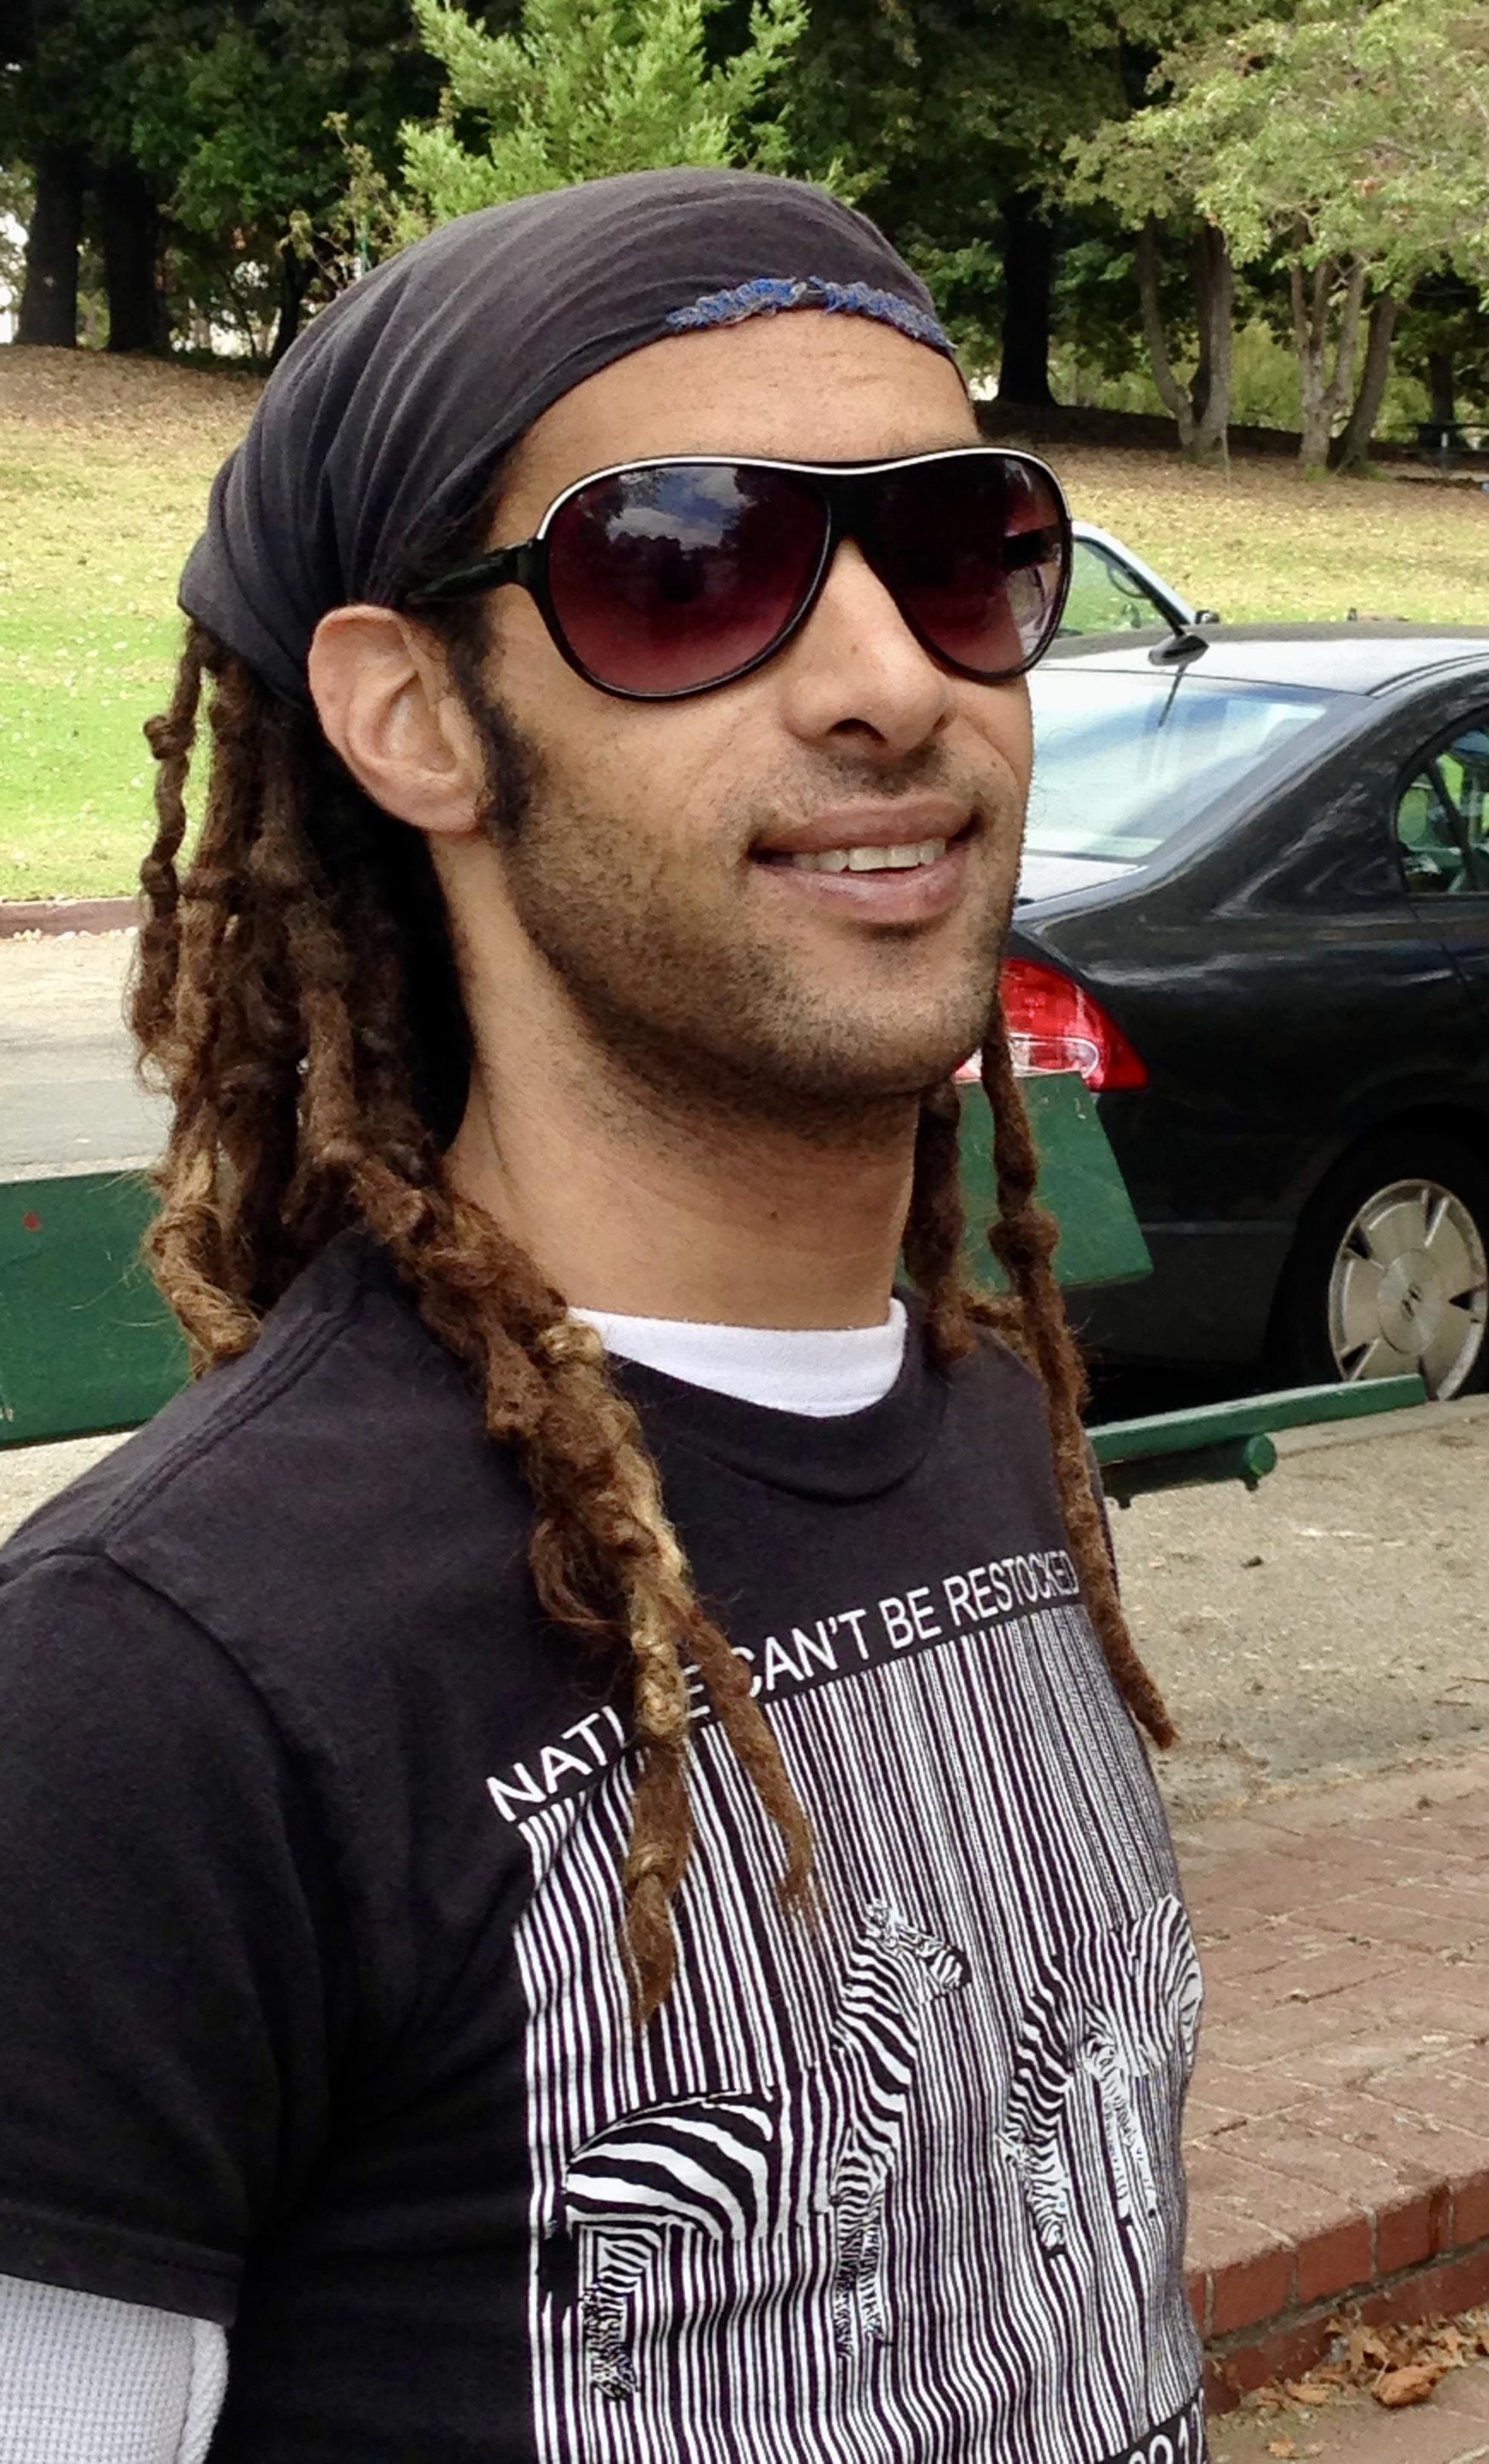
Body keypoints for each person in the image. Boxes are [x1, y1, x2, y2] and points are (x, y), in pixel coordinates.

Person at [0, 170, 1204, 2461]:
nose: (886, 686)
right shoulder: (155, 1699)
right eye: (689, 569)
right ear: (413, 719)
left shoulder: (973, 1422)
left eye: (958, 553)